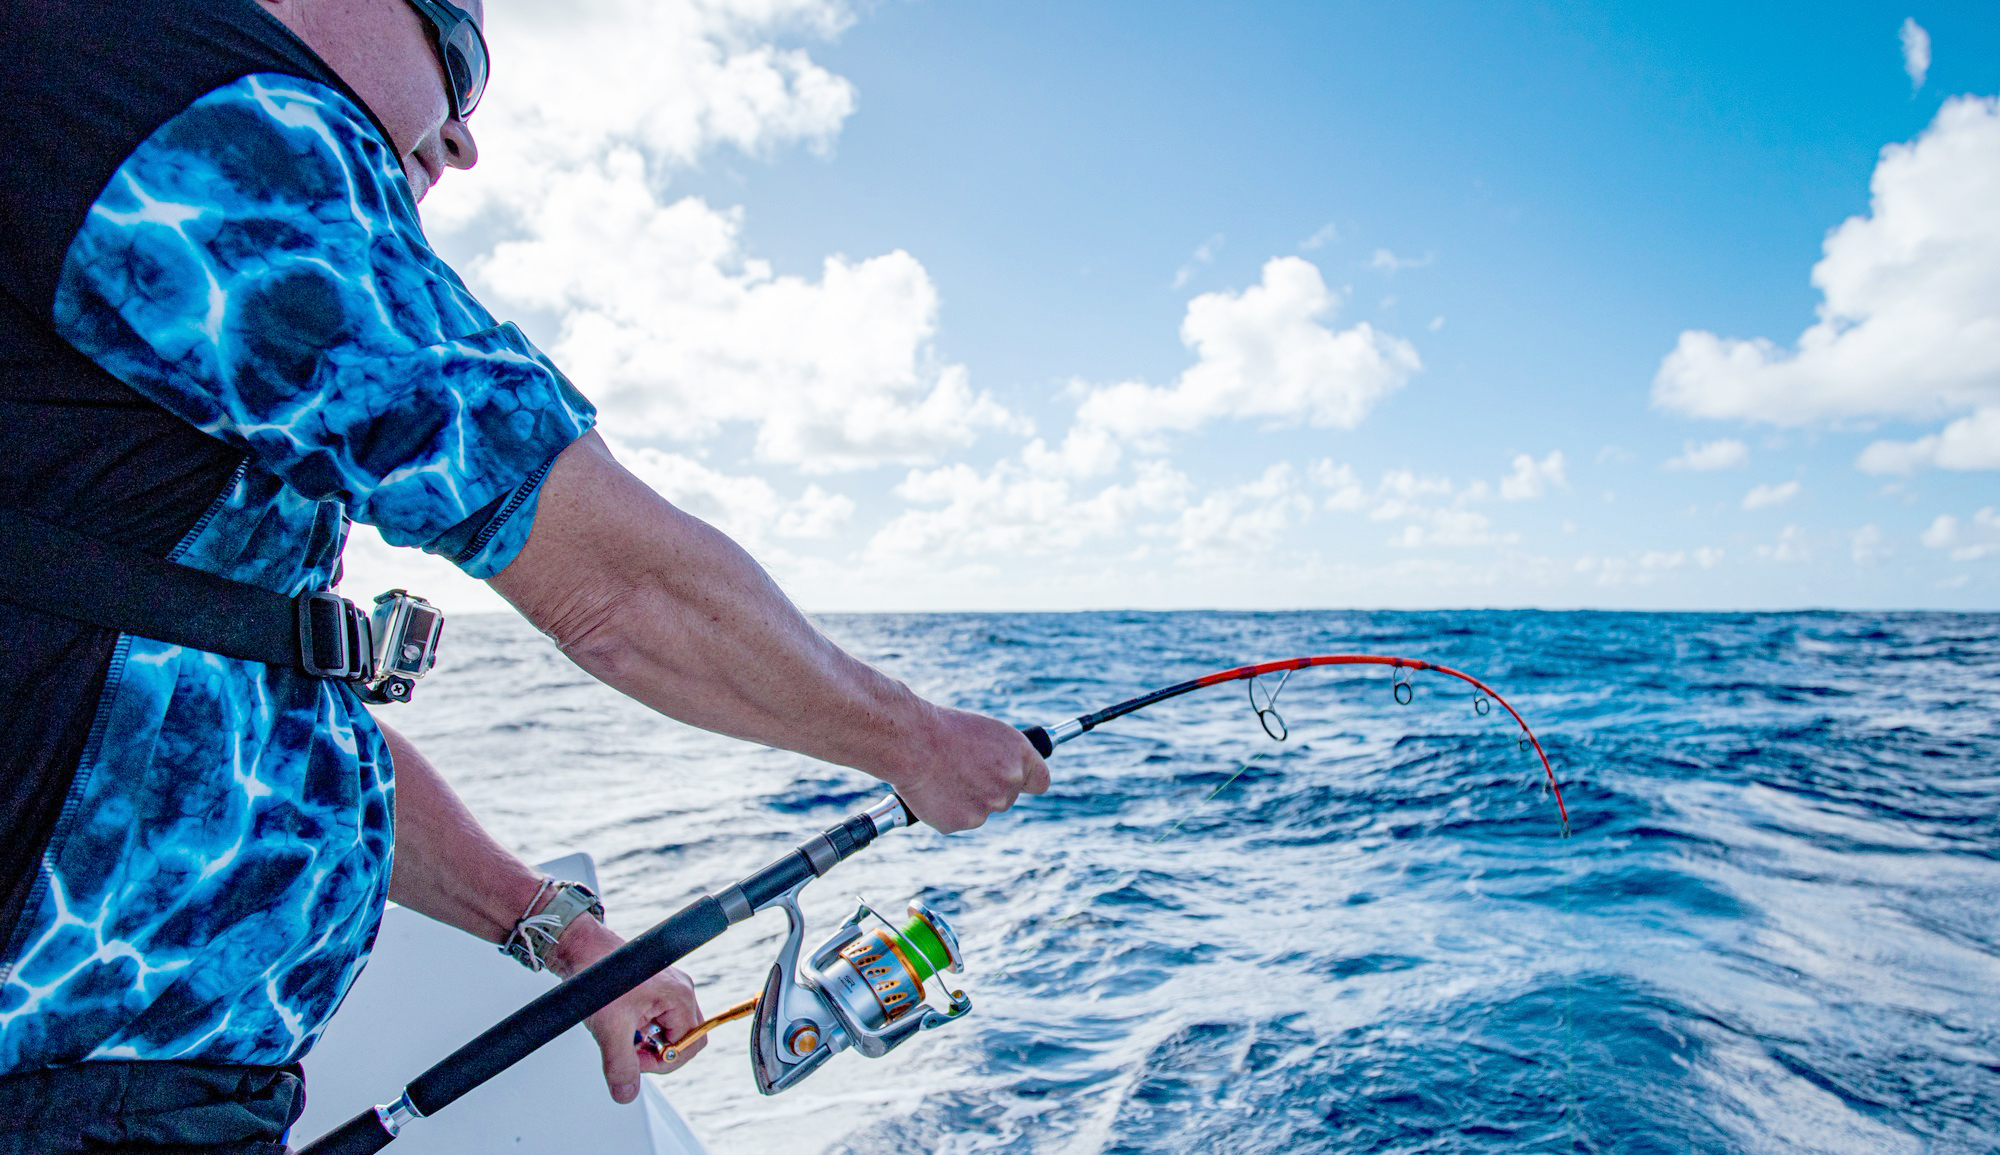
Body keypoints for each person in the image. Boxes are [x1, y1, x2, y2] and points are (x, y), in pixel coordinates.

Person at [0, 0, 1050, 1150]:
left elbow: (224, 722)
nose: (459, 139)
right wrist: (914, 743)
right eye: (457, 55)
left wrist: (558, 935)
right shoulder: (194, 105)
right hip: (73, 1087)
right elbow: (614, 591)